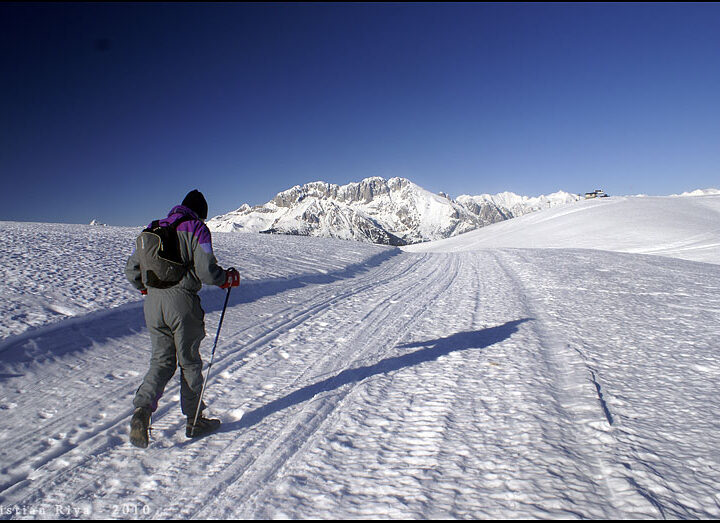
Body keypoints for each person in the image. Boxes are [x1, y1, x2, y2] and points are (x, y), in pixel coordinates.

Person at [125, 189, 240, 448]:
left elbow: (131, 270)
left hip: (153, 304)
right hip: (182, 302)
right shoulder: (196, 228)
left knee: (161, 361)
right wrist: (226, 279)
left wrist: (146, 288)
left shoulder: (153, 228)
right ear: (201, 212)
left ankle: (141, 412)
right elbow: (207, 272)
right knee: (189, 362)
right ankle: (194, 420)